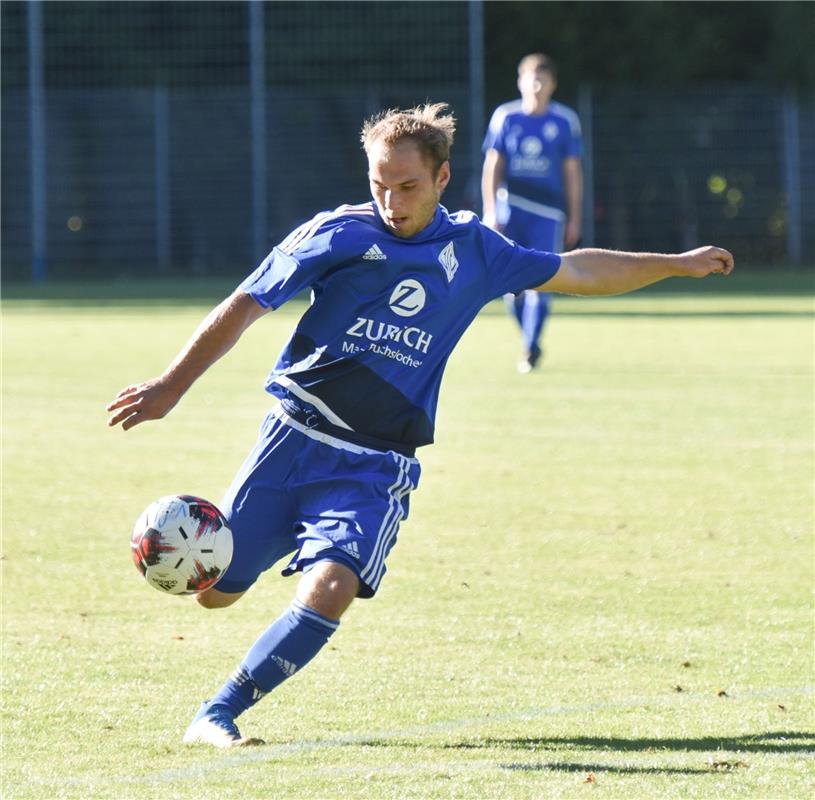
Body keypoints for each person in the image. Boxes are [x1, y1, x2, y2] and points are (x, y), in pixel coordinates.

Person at [106, 103, 733, 748]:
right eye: (379, 185)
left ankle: (219, 711)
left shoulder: (477, 252)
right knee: (216, 593)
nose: (391, 202)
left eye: (407, 187)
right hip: (290, 439)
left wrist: (676, 262)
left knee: (333, 584)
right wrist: (170, 385)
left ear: (441, 180)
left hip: (373, 464)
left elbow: (578, 269)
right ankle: (199, 547)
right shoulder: (337, 235)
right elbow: (246, 303)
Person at [482, 52, 583, 372]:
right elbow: (493, 166)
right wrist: (489, 210)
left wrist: (575, 216)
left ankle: (529, 346)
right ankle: (531, 340)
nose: (537, 86)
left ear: (552, 85)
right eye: (531, 79)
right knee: (510, 285)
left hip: (548, 213)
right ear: (520, 82)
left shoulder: (565, 121)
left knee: (543, 279)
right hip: (510, 210)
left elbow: (572, 171)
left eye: (543, 80)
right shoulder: (506, 117)